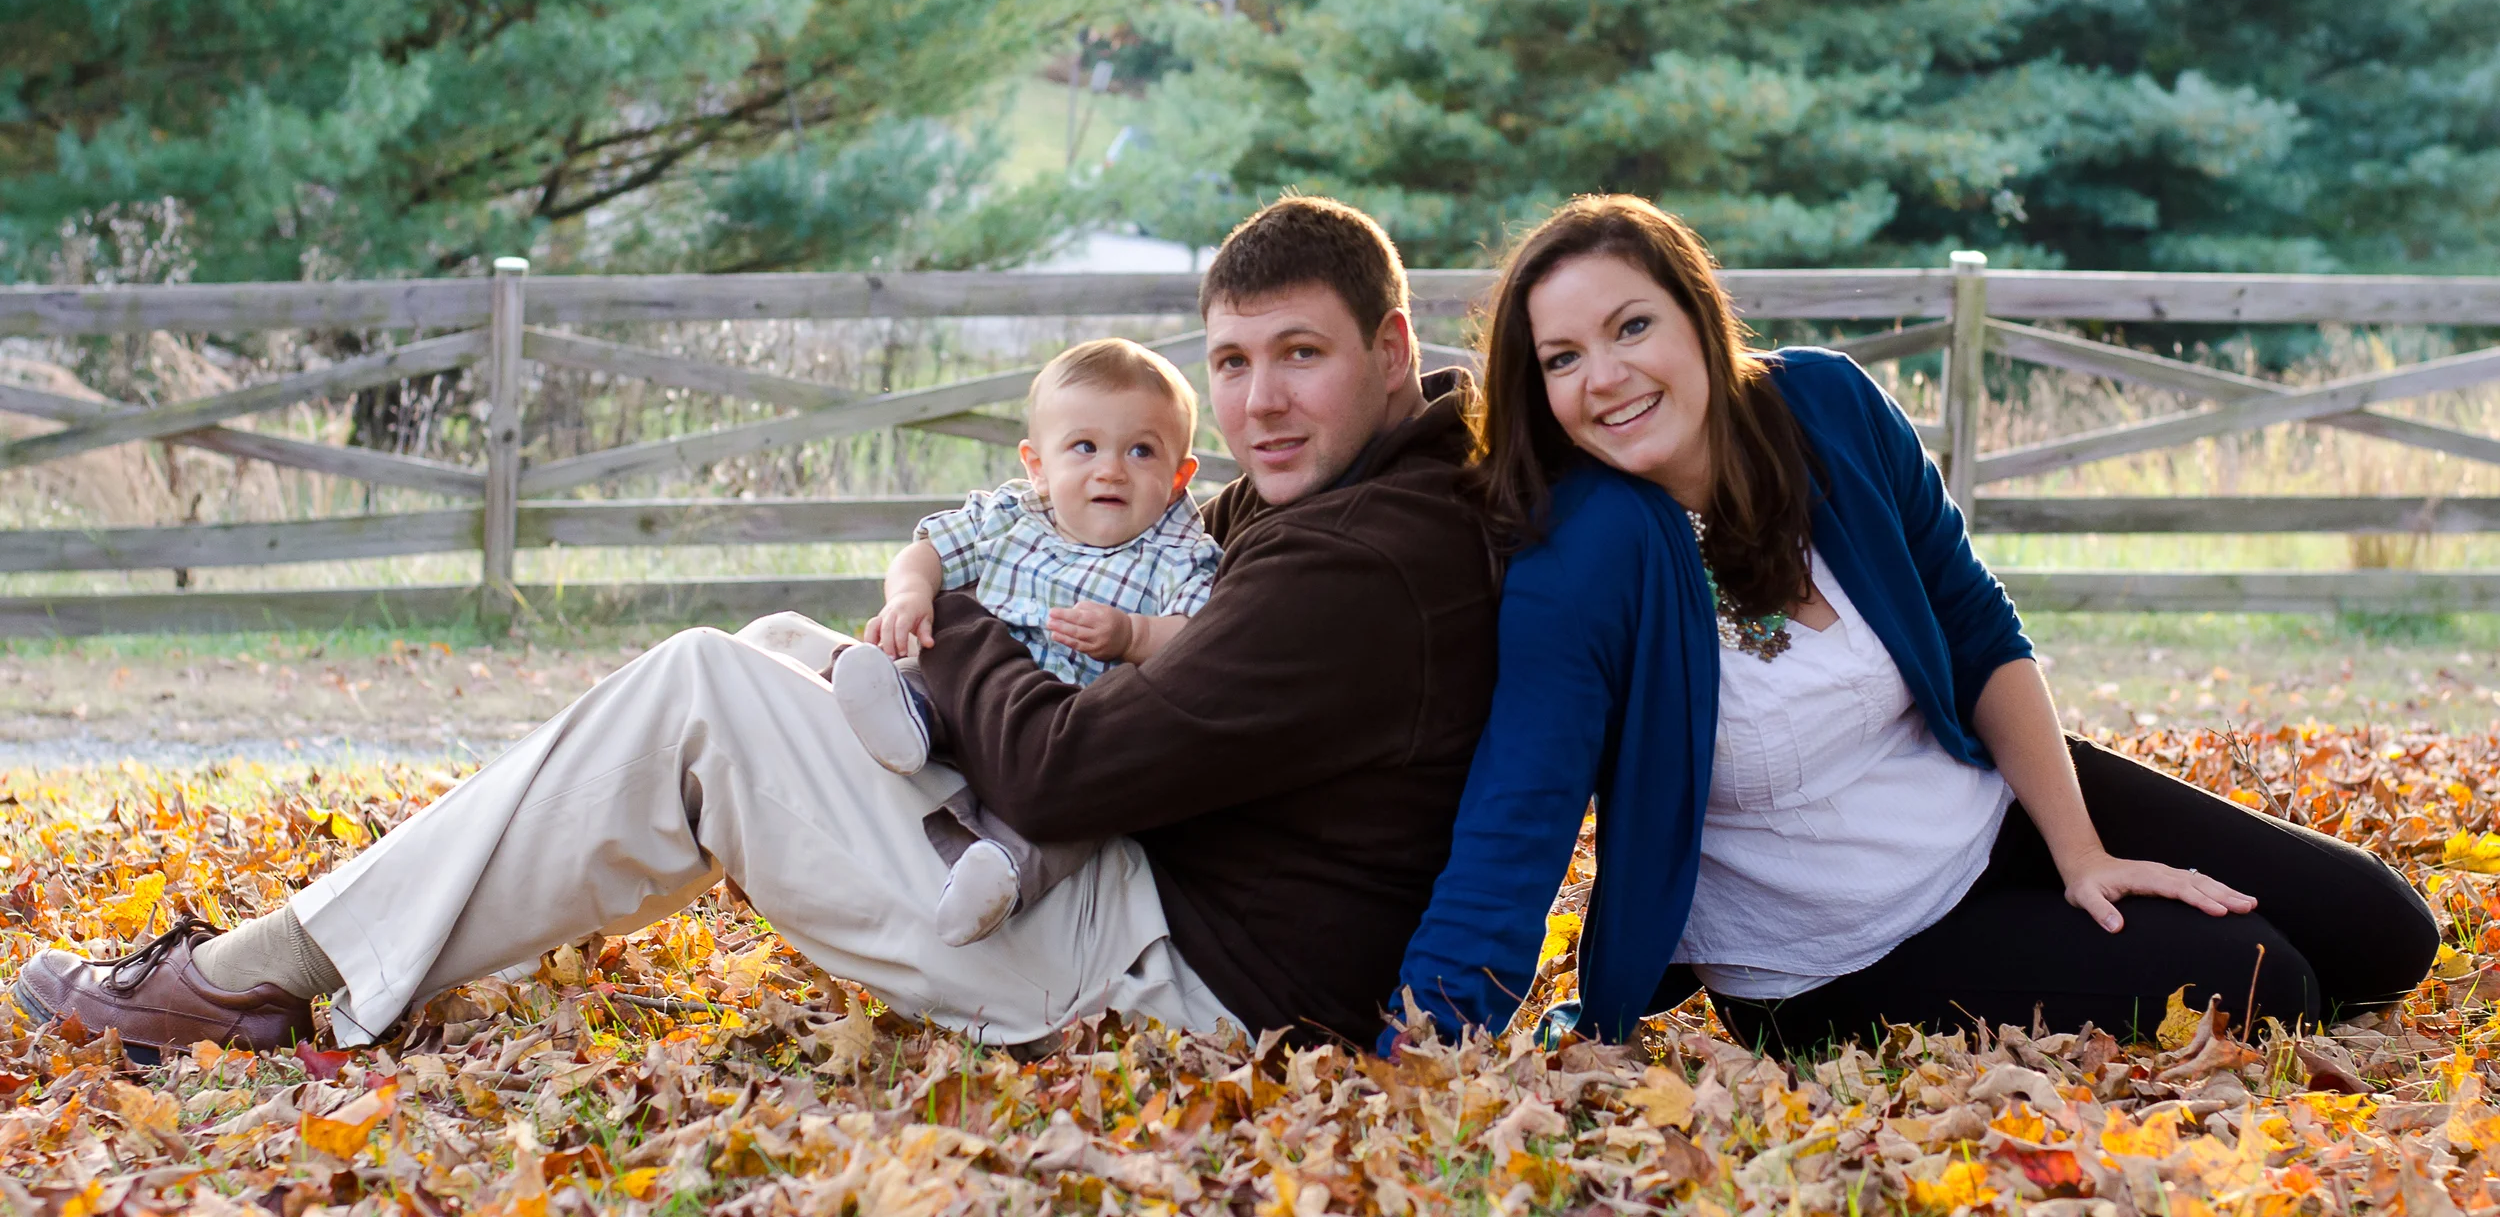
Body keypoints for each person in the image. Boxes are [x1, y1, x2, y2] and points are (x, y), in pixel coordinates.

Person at [11, 196, 1498, 1056]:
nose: (1253, 405)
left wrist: (966, 604)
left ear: (1392, 351)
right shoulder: (1331, 511)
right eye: (1231, 363)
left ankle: (256, 977)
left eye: (1299, 356)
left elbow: (1053, 780)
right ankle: (336, 951)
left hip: (1180, 982)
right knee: (779, 648)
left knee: (704, 695)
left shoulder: (1359, 568)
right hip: (1139, 894)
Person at [1391, 195, 2438, 1055]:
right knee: (2270, 981)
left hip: (1985, 813)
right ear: (1538, 391)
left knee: (2384, 933)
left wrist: (2079, 854)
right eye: (1561, 359)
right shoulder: (1579, 562)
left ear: (1697, 317)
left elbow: (1978, 629)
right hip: (1834, 954)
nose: (1606, 377)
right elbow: (1515, 820)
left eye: (1631, 327)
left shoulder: (1827, 411)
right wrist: (1429, 1049)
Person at [832, 336, 1223, 948]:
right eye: (1085, 447)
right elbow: (928, 552)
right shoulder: (1013, 516)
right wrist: (909, 593)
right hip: (972, 698)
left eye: (1142, 451)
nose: (1111, 469)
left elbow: (1196, 636)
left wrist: (1132, 633)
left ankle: (999, 875)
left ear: (1178, 477)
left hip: (1065, 744)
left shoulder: (1178, 555)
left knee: (1077, 818)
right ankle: (905, 718)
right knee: (926, 648)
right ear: (1038, 463)